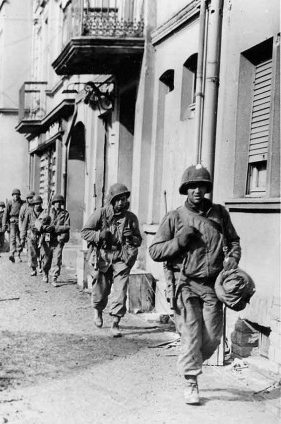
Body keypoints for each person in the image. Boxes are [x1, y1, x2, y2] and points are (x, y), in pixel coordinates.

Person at [148, 164, 241, 405]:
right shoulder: (175, 217)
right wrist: (179, 241)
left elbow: (233, 242)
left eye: (201, 185)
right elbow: (156, 251)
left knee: (211, 338)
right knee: (191, 334)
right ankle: (191, 382)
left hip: (213, 285)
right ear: (185, 190)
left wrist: (232, 257)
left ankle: (191, 360)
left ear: (207, 188)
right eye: (192, 186)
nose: (197, 190)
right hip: (186, 284)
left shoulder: (219, 213)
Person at [81, 183, 142, 338]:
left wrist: (131, 237)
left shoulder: (130, 218)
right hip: (102, 256)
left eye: (123, 199)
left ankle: (115, 322)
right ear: (112, 200)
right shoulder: (101, 214)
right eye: (118, 199)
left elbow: (138, 240)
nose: (121, 203)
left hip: (121, 257)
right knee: (101, 290)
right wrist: (98, 235)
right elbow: (85, 232)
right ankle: (98, 311)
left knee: (121, 291)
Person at [36, 195, 70, 287]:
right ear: (53, 203)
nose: (58, 204)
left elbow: (67, 226)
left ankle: (54, 277)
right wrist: (43, 227)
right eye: (56, 202)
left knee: (57, 259)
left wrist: (55, 228)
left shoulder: (65, 214)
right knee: (46, 258)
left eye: (59, 202)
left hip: (58, 238)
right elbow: (38, 222)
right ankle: (45, 273)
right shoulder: (47, 211)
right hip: (47, 237)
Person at [21, 194, 43, 276]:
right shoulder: (29, 213)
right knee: (31, 252)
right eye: (36, 204)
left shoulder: (43, 212)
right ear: (33, 204)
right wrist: (22, 237)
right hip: (31, 234)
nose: (37, 205)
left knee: (41, 251)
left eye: (39, 204)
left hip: (41, 234)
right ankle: (33, 268)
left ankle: (41, 265)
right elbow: (24, 225)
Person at [3, 188, 25, 263]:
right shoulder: (10, 203)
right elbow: (5, 214)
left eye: (17, 195)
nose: (16, 196)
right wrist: (4, 224)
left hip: (20, 222)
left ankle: (18, 254)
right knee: (12, 238)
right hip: (12, 222)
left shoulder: (22, 203)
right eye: (14, 195)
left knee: (20, 239)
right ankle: (12, 254)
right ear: (12, 196)